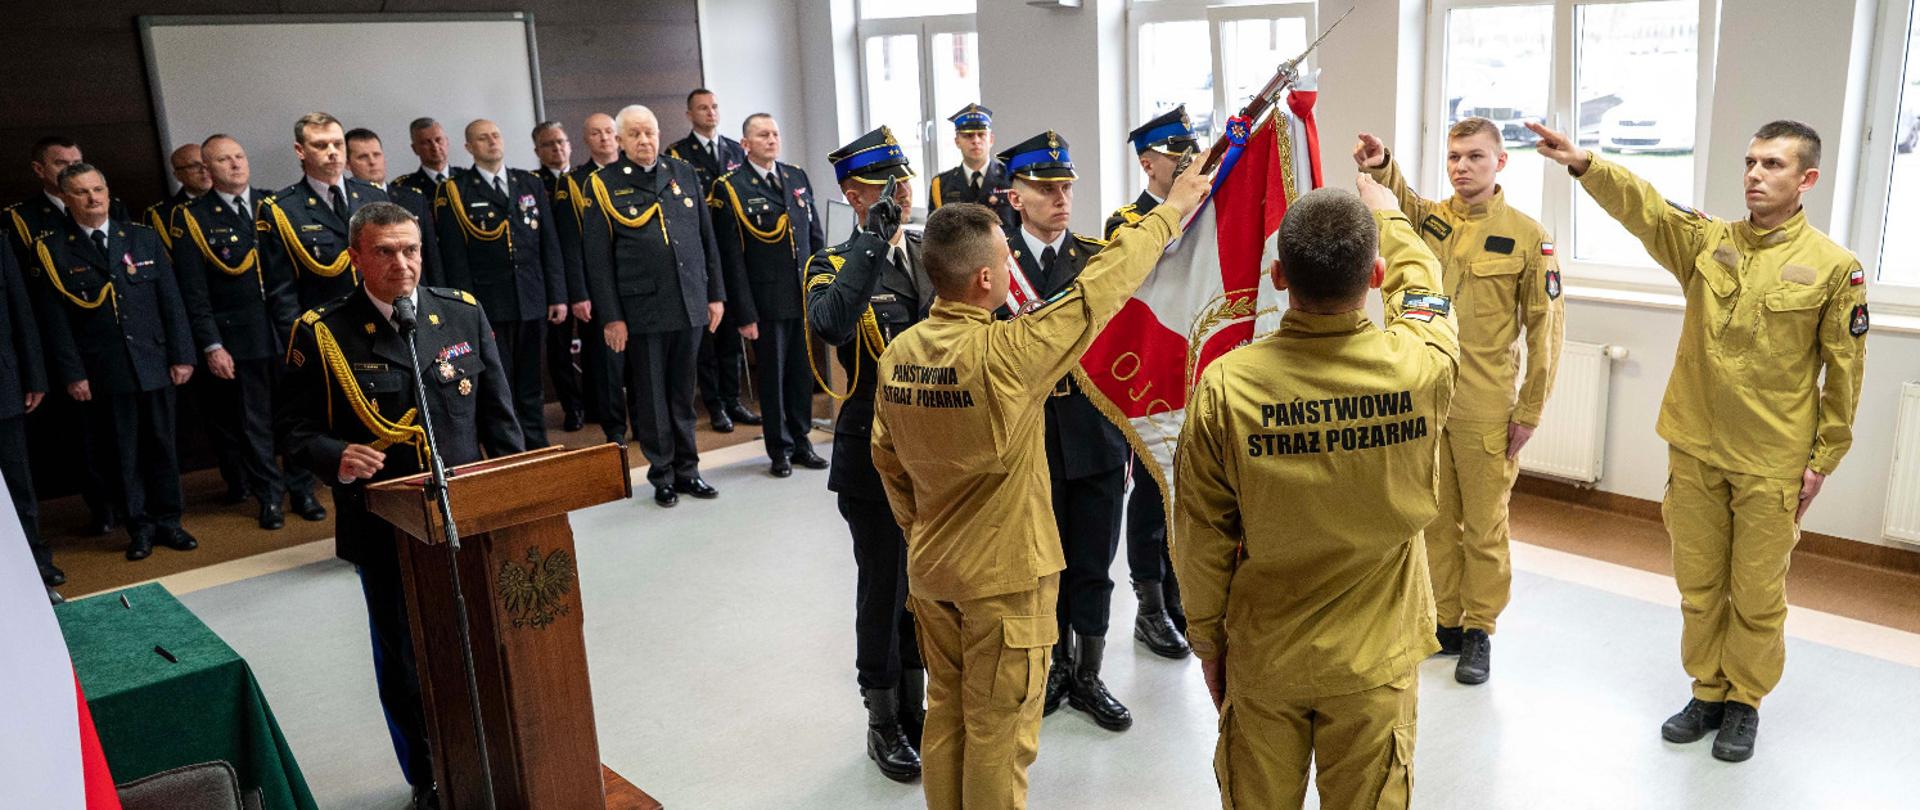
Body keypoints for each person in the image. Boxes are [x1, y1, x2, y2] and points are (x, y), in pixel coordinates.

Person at [870, 158, 1212, 810]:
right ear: (987, 279)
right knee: (1000, 734)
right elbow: (1096, 294)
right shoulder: (1006, 356)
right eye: (1004, 256)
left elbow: (886, 461)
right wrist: (1169, 214)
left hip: (932, 571)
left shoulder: (900, 354)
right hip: (1004, 581)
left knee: (947, 715)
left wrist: (923, 534)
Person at [1527, 118, 1868, 762]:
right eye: (1750, 161)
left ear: (1807, 179)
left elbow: (1845, 375)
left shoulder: (1835, 268)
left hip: (1772, 459)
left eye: (1772, 165)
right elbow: (1647, 208)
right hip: (1694, 446)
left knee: (1759, 592)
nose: (1755, 175)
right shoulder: (1709, 241)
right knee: (1700, 582)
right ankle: (1707, 691)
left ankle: (1744, 702)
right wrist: (1584, 164)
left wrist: (1824, 459)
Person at [1173, 177, 1458, 810]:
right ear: (1376, 273)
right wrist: (1396, 221)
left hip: (1265, 654)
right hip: (1374, 661)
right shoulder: (1420, 369)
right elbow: (1428, 298)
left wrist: (1207, 642)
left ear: (1278, 275)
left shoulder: (1227, 387)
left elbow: (1199, 535)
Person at [277, 201, 524, 810]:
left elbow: (497, 414)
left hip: (467, 511)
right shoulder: (323, 330)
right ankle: (429, 775)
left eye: (410, 249)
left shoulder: (459, 313)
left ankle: (497, 753)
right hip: (384, 522)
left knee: (486, 639)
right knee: (407, 655)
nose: (401, 263)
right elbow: (290, 428)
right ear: (356, 257)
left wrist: (516, 493)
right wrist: (335, 453)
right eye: (384, 251)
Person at [1355, 117, 1564, 685]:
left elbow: (1547, 331)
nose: (1461, 166)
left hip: (1486, 403)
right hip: (1427, 394)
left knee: (1485, 524)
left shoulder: (1527, 235)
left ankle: (1479, 629)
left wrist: (1530, 410)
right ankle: (1443, 620)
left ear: (1501, 163)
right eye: (1453, 157)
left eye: (1474, 156)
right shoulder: (1433, 222)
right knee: (1433, 518)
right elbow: (1398, 205)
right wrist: (1380, 164)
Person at [995, 130, 1133, 730]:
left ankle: (1089, 671)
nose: (1061, 198)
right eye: (1046, 188)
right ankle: (1048, 668)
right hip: (1028, 440)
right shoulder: (996, 268)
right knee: (1039, 564)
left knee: (1094, 561)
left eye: (1066, 187)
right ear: (1015, 196)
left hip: (1095, 433)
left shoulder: (1097, 259)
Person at [804, 126, 929, 781]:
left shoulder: (929, 253)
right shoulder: (832, 262)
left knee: (923, 589)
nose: (903, 192)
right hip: (872, 457)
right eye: (887, 184)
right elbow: (830, 324)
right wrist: (870, 239)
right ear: (855, 195)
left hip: (931, 456)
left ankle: (915, 706)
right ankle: (882, 718)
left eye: (904, 180)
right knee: (884, 588)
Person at [30, 163, 200, 562]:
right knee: (122, 453)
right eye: (82, 192)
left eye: (98, 190)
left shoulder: (140, 237)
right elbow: (55, 323)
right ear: (66, 198)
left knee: (162, 446)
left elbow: (170, 302)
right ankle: (138, 527)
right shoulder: (54, 248)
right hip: (104, 370)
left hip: (154, 361)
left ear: (108, 192)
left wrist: (182, 355)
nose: (93, 199)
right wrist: (73, 373)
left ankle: (170, 521)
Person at [169, 134, 324, 530]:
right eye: (224, 160)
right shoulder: (193, 217)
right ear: (208, 169)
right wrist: (211, 344)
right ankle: (269, 497)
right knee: (253, 425)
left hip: (288, 331)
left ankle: (302, 488)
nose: (236, 165)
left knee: (297, 415)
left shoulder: (275, 205)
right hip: (239, 338)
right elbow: (194, 290)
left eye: (239, 156)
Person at [582, 104, 726, 507]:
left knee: (683, 392)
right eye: (635, 135)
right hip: (640, 307)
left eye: (650, 133)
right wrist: (612, 318)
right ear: (621, 140)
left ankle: (689, 470)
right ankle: (661, 474)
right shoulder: (603, 184)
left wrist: (714, 295)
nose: (645, 141)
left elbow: (705, 240)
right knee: (652, 396)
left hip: (689, 301)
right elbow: (597, 259)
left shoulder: (683, 174)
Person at [1104, 105, 1203, 662]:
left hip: (1189, 363)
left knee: (1186, 485)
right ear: (1149, 163)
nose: (1188, 160)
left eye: (1190, 149)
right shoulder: (1128, 221)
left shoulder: (1201, 212)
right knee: (1149, 487)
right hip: (1145, 371)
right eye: (1176, 154)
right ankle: (1148, 603)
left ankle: (1176, 588)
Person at [7, 136, 127, 536]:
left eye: (78, 161)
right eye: (61, 163)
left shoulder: (112, 206)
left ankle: (132, 506)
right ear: (40, 170)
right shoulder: (22, 218)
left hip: (113, 337)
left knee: (124, 431)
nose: (70, 169)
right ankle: (102, 506)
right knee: (85, 436)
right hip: (60, 340)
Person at [434, 119, 567, 448]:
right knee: (498, 383)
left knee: (532, 382)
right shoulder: (456, 190)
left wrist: (557, 295)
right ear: (468, 147)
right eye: (483, 138)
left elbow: (548, 243)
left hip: (532, 298)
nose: (492, 142)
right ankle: (508, 449)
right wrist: (466, 311)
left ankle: (537, 445)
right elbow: (455, 258)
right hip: (489, 304)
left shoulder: (529, 183)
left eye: (496, 135)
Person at [709, 113, 826, 476]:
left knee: (801, 375)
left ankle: (802, 440)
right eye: (762, 135)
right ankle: (780, 449)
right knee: (773, 380)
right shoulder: (730, 187)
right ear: (745, 144)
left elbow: (815, 237)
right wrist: (744, 313)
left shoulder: (795, 176)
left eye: (775, 133)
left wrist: (821, 286)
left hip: (801, 296)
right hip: (764, 301)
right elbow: (731, 258)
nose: (771, 140)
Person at [668, 88, 759, 432]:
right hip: (699, 254)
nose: (710, 112)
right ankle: (715, 404)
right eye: (702, 108)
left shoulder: (737, 151)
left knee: (732, 333)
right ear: (689, 114)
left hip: (734, 251)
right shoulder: (678, 154)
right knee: (709, 334)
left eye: (715, 106)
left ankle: (734, 399)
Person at [258, 112, 390, 310]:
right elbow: (282, 293)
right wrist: (298, 338)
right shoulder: (282, 209)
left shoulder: (373, 195)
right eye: (320, 145)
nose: (332, 152)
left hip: (383, 316)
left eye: (338, 144)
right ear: (300, 150)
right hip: (326, 325)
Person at [566, 113, 625, 437]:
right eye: (596, 133)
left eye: (609, 132)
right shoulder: (575, 182)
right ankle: (614, 428)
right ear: (586, 140)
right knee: (607, 365)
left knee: (641, 364)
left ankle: (645, 424)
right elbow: (571, 244)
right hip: (598, 287)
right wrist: (579, 293)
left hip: (636, 284)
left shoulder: (630, 174)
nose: (604, 138)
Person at [533, 120, 590, 432]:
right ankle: (573, 407)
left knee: (597, 347)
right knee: (559, 351)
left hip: (586, 277)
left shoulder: (585, 178)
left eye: (561, 141)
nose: (557, 148)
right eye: (548, 144)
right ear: (537, 151)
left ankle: (596, 402)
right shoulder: (531, 184)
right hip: (552, 282)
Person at [0, 233, 51, 583]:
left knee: (18, 483)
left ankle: (36, 568)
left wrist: (34, 375)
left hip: (3, 385)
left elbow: (21, 310)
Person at [345, 128, 444, 287]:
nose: (372, 162)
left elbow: (432, 259)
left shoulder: (413, 198)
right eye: (363, 157)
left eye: (377, 155)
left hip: (417, 290)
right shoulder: (347, 205)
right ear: (347, 164)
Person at [926, 103, 1018, 234]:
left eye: (981, 134)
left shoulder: (1011, 178)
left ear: (991, 139)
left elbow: (1021, 227)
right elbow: (934, 233)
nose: (976, 140)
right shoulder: (941, 184)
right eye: (968, 136)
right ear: (957, 141)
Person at [143, 143, 211, 249]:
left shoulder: (234, 200)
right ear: (178, 176)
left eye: (206, 163)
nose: (204, 170)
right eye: (194, 166)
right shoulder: (163, 214)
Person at [393, 118, 453, 197]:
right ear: (415, 149)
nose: (435, 147)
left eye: (438, 140)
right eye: (426, 142)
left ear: (447, 142)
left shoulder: (467, 179)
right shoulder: (403, 187)